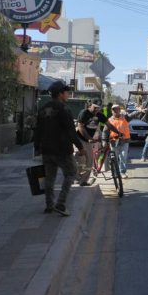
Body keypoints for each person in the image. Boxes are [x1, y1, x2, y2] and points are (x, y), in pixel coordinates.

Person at [34, 80, 85, 217]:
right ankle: (61, 203)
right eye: (66, 92)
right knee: (71, 173)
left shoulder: (43, 109)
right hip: (62, 149)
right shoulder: (63, 109)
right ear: (61, 94)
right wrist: (80, 147)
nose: (68, 94)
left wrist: (36, 148)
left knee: (49, 178)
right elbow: (70, 131)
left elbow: (37, 130)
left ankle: (49, 205)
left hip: (46, 150)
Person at [75, 99, 120, 186]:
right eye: (95, 107)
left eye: (98, 108)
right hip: (80, 138)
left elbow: (109, 125)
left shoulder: (99, 115)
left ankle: (83, 181)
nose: (96, 110)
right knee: (81, 159)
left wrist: (118, 132)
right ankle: (77, 177)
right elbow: (80, 127)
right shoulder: (84, 113)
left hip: (89, 139)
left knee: (90, 161)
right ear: (91, 105)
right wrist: (88, 138)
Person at [108, 104, 132, 178]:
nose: (116, 111)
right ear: (112, 111)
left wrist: (139, 111)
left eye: (117, 109)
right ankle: (115, 173)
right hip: (114, 141)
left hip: (124, 141)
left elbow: (132, 115)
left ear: (119, 110)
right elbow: (105, 131)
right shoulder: (109, 120)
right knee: (114, 158)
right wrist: (104, 141)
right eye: (114, 110)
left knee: (123, 157)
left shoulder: (125, 118)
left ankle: (122, 172)